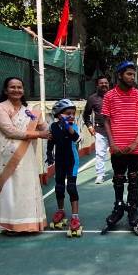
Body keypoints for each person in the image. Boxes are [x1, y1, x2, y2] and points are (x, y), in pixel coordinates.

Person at [0, 76, 50, 233]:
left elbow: (44, 128)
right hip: (8, 156)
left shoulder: (30, 110)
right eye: (12, 87)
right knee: (10, 189)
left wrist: (56, 127)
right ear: (6, 90)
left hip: (27, 155)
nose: (16, 90)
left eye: (19, 87)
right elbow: (10, 131)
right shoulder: (0, 108)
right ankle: (11, 225)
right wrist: (39, 134)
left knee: (27, 187)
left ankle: (30, 224)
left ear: (23, 90)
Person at [100, 61, 138, 236]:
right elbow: (106, 120)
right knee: (118, 178)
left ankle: (133, 209)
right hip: (117, 147)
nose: (132, 77)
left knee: (134, 177)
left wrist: (136, 142)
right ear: (120, 75)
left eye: (133, 74)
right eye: (129, 74)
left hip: (135, 148)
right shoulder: (109, 96)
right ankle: (118, 207)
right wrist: (112, 143)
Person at [46, 99, 82, 237]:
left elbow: (76, 138)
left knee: (71, 187)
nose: (72, 116)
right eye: (68, 113)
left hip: (72, 161)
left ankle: (75, 216)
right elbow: (51, 142)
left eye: (73, 113)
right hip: (60, 161)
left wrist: (68, 126)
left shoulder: (74, 127)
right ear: (59, 114)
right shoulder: (53, 127)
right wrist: (49, 154)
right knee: (59, 187)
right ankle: (60, 210)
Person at [83, 75, 110, 184]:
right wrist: (89, 126)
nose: (104, 85)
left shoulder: (114, 97)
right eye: (101, 83)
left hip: (115, 131)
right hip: (100, 131)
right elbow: (86, 115)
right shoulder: (92, 99)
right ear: (97, 85)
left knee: (118, 153)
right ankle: (100, 175)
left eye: (106, 83)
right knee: (100, 154)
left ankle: (119, 173)